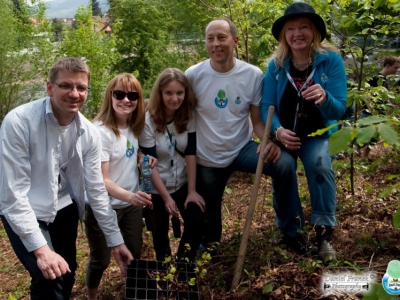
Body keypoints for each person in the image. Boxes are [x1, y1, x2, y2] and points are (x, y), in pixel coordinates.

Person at [0, 57, 133, 299]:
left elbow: (96, 190)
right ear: (50, 88)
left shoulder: (89, 133)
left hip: (64, 208)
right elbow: (13, 196)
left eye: (81, 88)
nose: (74, 94)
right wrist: (42, 250)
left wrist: (115, 241)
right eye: (66, 86)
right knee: (49, 276)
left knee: (67, 274)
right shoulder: (19, 122)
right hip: (26, 208)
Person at [185, 18, 301, 256]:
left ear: (235, 41)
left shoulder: (252, 75)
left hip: (242, 148)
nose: (216, 44)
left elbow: (257, 121)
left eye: (222, 37)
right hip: (207, 157)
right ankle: (209, 246)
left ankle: (291, 231)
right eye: (210, 39)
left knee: (285, 164)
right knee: (210, 228)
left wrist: (268, 142)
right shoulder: (193, 76)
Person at [261, 2, 347, 261]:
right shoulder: (276, 66)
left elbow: (339, 110)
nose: (297, 33)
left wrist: (325, 96)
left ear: (315, 32)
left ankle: (324, 232)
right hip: (285, 136)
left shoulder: (330, 61)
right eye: (291, 28)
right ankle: (292, 231)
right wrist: (276, 132)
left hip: (316, 134)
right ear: (284, 35)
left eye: (304, 27)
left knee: (320, 165)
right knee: (282, 166)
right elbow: (267, 106)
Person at [85, 73, 155, 300]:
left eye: (132, 95)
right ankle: (91, 296)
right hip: (104, 207)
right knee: (100, 260)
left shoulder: (134, 127)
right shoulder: (100, 132)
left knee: (134, 253)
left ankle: (132, 293)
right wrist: (130, 197)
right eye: (120, 94)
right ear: (110, 96)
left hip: (131, 206)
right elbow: (102, 180)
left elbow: (127, 154)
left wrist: (143, 158)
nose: (126, 100)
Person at [139, 68, 205, 262]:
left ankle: (183, 265)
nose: (175, 98)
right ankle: (165, 272)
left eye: (179, 93)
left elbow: (190, 153)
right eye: (168, 93)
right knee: (160, 235)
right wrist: (167, 198)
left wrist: (192, 190)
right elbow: (148, 164)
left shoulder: (187, 115)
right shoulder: (148, 120)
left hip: (182, 182)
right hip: (156, 187)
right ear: (160, 93)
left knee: (197, 221)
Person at [356, 55, 400, 158]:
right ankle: (351, 166)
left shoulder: (386, 81)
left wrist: (392, 108)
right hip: (369, 115)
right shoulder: (375, 78)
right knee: (360, 140)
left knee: (373, 139)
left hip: (380, 116)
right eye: (395, 67)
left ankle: (364, 159)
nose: (397, 70)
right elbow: (366, 94)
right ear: (387, 66)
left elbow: (386, 99)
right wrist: (371, 110)